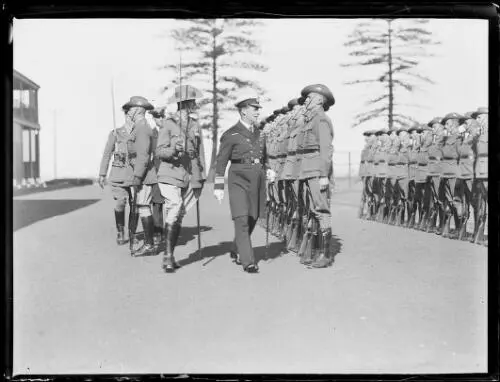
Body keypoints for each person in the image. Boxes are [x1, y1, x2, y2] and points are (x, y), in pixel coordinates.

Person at [213, 91, 270, 273]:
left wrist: (268, 169)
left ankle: (236, 247)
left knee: (253, 217)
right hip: (238, 178)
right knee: (241, 219)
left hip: (257, 179)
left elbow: (264, 156)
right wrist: (219, 186)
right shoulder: (231, 134)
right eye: (254, 109)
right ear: (243, 111)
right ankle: (248, 261)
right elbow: (221, 162)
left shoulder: (260, 134)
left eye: (257, 109)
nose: (257, 112)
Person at [156, 84, 206, 273]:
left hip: (188, 175)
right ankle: (167, 256)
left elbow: (200, 153)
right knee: (175, 206)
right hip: (169, 173)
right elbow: (159, 151)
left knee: (179, 214)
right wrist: (173, 151)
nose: (195, 104)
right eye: (193, 101)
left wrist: (200, 176)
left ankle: (171, 254)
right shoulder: (169, 124)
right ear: (185, 103)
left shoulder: (195, 125)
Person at [295, 84, 335, 269]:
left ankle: (325, 255)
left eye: (310, 98)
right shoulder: (310, 120)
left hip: (317, 171)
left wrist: (323, 175)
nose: (307, 101)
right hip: (308, 170)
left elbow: (325, 149)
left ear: (319, 100)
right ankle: (317, 252)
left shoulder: (320, 120)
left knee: (321, 210)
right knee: (314, 210)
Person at [122, 96, 159, 257]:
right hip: (139, 174)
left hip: (143, 175)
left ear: (138, 110)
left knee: (144, 207)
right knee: (142, 207)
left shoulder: (142, 128)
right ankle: (149, 243)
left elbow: (143, 155)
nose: (128, 110)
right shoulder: (138, 127)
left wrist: (137, 176)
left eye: (130, 108)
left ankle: (149, 244)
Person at [98, 106, 137, 247]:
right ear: (126, 116)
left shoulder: (140, 133)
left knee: (136, 205)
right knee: (121, 202)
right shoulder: (116, 133)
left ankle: (132, 232)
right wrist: (102, 173)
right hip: (119, 176)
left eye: (134, 116)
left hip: (134, 176)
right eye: (129, 116)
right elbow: (107, 154)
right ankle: (120, 231)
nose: (131, 119)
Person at [439, 112, 463, 238]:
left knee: (456, 201)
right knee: (448, 202)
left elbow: (460, 155)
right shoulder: (447, 139)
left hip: (454, 173)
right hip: (446, 173)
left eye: (447, 124)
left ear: (454, 124)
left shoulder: (459, 139)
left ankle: (460, 229)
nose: (446, 127)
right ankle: (449, 228)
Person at [149, 106, 167, 249]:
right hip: (156, 171)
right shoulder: (151, 134)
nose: (160, 120)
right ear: (154, 119)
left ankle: (171, 230)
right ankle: (157, 231)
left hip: (170, 172)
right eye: (157, 117)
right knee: (157, 203)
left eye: (162, 117)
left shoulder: (170, 132)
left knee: (174, 204)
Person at [471, 107, 488, 245]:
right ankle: (480, 235)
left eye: (480, 117)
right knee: (481, 203)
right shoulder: (479, 134)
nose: (478, 120)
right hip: (480, 171)